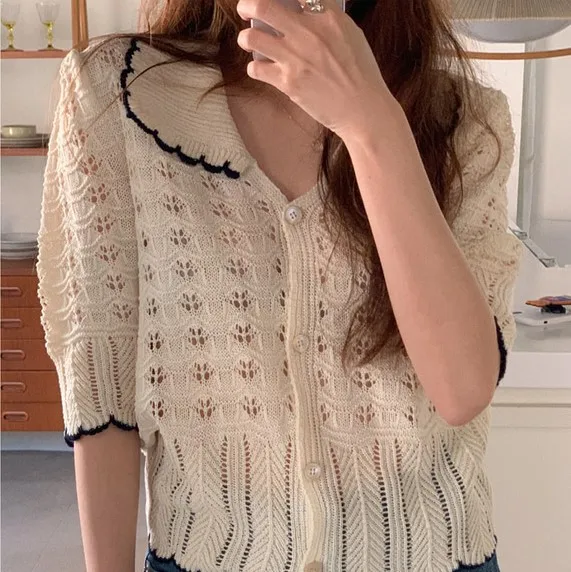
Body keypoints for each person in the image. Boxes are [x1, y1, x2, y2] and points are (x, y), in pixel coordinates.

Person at [36, 0, 523, 570]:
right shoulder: (118, 91)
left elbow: (461, 390)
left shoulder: (462, 118)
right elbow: (102, 389)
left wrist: (371, 123)